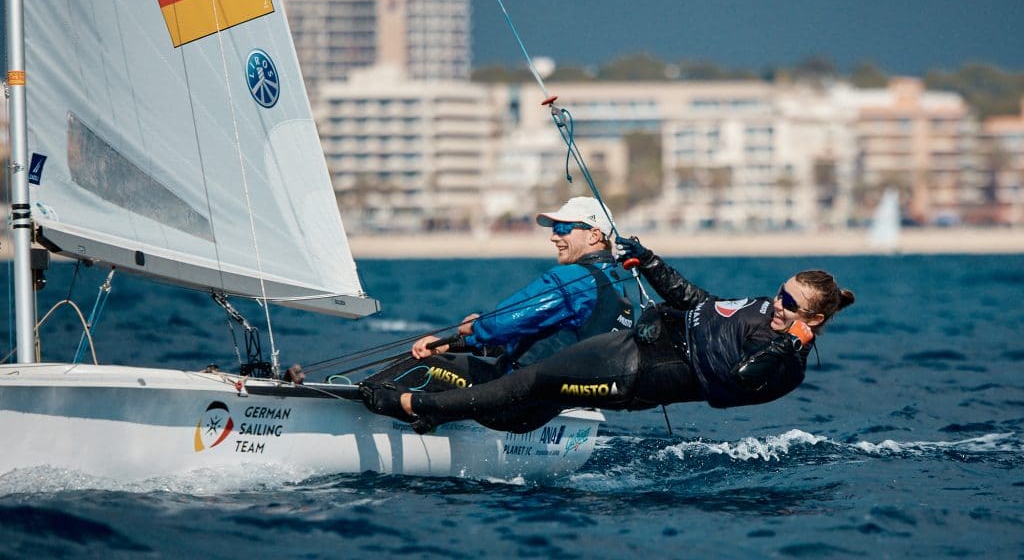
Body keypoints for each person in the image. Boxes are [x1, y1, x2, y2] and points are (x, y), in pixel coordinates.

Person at [361, 235, 855, 433]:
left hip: (642, 375)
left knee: (536, 383)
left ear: (811, 321)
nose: (776, 304)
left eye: (790, 304)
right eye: (779, 292)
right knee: (533, 384)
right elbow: (700, 302)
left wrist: (792, 343)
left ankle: (412, 406)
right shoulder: (762, 309)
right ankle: (432, 411)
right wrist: (652, 263)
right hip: (639, 345)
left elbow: (747, 374)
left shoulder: (785, 363)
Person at [360, 196, 637, 431]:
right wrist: (454, 343)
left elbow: (506, 322)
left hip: (511, 401)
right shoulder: (618, 292)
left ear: (594, 235)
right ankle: (429, 416)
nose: (554, 236)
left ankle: (354, 404)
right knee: (448, 358)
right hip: (543, 409)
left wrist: (477, 326)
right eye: (554, 228)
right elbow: (541, 336)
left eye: (563, 228)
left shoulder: (574, 279)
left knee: (419, 366)